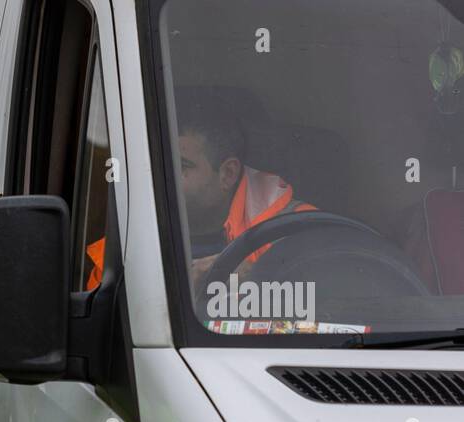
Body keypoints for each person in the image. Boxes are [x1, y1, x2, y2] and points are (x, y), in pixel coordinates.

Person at [85, 92, 316, 291]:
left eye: (181, 166)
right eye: (156, 164)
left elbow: (325, 311)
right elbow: (107, 330)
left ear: (227, 174)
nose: (161, 177)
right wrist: (183, 292)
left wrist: (261, 280)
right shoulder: (125, 245)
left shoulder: (297, 230)